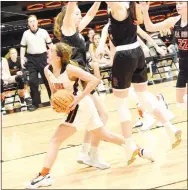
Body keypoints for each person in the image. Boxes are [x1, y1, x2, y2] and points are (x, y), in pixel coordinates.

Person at [24, 42, 151, 189]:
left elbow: (94, 80)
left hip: (80, 106)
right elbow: (54, 90)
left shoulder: (70, 69)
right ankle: (139, 150)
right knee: (105, 135)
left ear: (58, 57)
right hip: (78, 107)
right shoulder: (47, 70)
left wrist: (79, 97)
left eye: (50, 50)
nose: (47, 52)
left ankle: (44, 175)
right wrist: (54, 100)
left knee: (55, 140)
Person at [96, 2, 182, 159]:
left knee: (121, 103)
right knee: (143, 96)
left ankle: (129, 145)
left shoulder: (119, 8)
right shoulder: (123, 13)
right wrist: (100, 48)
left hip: (124, 56)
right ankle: (170, 128)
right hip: (138, 53)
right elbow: (105, 33)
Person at [54, 2, 111, 169]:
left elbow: (91, 15)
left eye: (80, 14)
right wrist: (73, 5)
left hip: (83, 77)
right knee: (102, 116)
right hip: (78, 80)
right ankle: (91, 154)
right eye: (77, 14)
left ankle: (86, 153)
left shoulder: (76, 31)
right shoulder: (67, 28)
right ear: (69, 16)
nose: (80, 16)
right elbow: (71, 6)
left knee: (97, 118)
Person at [140, 1, 188, 110]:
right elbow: (149, 27)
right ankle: (160, 100)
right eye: (177, 3)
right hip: (183, 64)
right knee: (180, 103)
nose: (178, 5)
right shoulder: (174, 20)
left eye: (181, 3)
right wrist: (144, 11)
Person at [20, 15, 53, 111]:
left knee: (48, 80)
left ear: (37, 22)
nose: (32, 23)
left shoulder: (43, 32)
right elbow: (22, 47)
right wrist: (22, 58)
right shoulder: (26, 34)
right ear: (28, 24)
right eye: (30, 21)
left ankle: (53, 99)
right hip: (31, 59)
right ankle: (36, 103)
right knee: (33, 81)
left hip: (43, 57)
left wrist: (54, 55)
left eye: (34, 21)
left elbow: (50, 45)